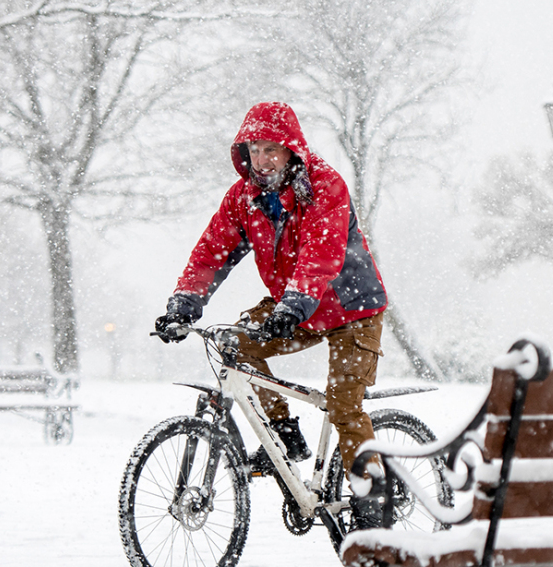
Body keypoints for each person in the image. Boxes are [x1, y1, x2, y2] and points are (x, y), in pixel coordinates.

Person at [154, 101, 388, 529]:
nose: (261, 160)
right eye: (254, 150)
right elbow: (212, 252)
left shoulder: (324, 186)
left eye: (270, 150)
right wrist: (182, 303)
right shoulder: (245, 198)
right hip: (295, 306)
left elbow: (322, 254)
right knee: (233, 344)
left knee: (344, 404)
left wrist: (294, 303)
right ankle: (283, 432)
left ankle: (375, 497)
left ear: (291, 150)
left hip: (352, 309)